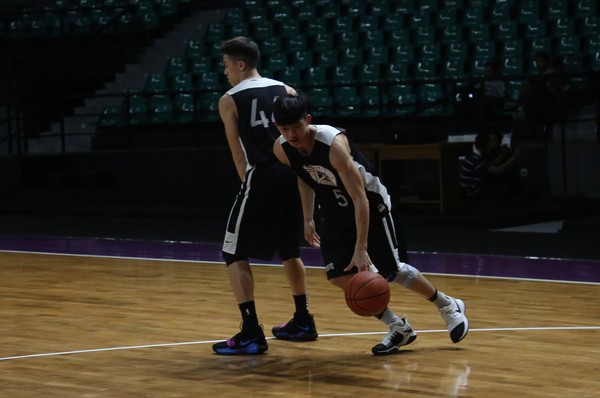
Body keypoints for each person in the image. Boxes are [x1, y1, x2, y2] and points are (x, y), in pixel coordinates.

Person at [272, 94, 469, 355]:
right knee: (340, 276)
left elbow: (360, 198)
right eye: (284, 129)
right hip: (333, 211)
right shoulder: (282, 148)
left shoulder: (333, 145)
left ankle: (447, 305)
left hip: (371, 206)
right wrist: (307, 217)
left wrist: (361, 246)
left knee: (391, 269)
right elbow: (305, 177)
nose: (292, 134)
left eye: (296, 127)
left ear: (307, 120)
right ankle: (398, 328)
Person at [212, 37, 317, 356]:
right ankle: (303, 320)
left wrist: (250, 184)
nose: (226, 72)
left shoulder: (229, 99)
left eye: (228, 65)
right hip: (295, 173)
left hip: (261, 174)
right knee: (289, 249)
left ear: (241, 64)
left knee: (232, 251)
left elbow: (238, 153)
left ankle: (251, 332)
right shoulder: (286, 89)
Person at [459, 130, 521, 200]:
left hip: (466, 190)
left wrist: (499, 158)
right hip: (472, 192)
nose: (490, 146)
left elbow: (486, 166)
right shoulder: (478, 160)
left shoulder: (472, 156)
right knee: (508, 188)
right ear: (485, 146)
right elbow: (497, 170)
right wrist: (514, 157)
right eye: (489, 144)